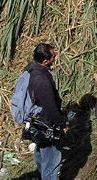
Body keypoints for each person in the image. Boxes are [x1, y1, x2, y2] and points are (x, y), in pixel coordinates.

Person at [23, 43, 66, 180]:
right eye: (53, 55)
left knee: (41, 153)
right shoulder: (42, 80)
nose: (55, 57)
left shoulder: (30, 69)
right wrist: (62, 124)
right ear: (45, 61)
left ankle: (41, 175)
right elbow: (50, 107)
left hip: (36, 121)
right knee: (51, 163)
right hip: (47, 124)